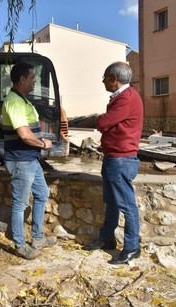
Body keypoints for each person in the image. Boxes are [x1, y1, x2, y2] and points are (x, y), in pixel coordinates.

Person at [84, 62, 143, 265]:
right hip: (114, 157)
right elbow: (109, 124)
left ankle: (132, 247)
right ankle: (107, 238)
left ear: (114, 79)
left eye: (105, 78)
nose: (103, 82)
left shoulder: (126, 98)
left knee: (126, 205)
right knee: (111, 202)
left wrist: (101, 121)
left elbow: (103, 123)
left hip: (121, 159)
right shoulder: (123, 97)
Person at [0, 62, 56, 260]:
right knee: (20, 203)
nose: (34, 82)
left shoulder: (23, 100)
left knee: (42, 193)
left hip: (30, 159)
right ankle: (20, 245)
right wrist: (43, 144)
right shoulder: (14, 102)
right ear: (22, 79)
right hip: (21, 161)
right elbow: (24, 135)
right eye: (31, 78)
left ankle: (38, 237)